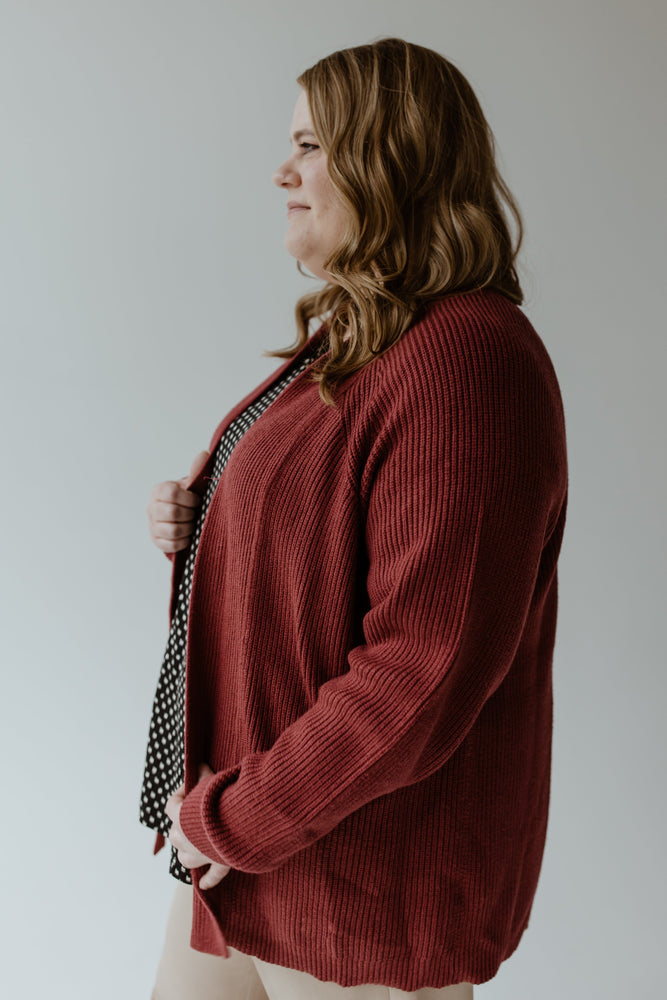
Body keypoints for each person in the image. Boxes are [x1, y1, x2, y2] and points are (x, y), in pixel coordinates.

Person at [140, 36, 568, 1000]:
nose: (282, 172)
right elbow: (319, 545)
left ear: (394, 153)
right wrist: (203, 519)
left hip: (363, 882)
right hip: (256, 841)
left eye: (310, 145)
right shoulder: (365, 336)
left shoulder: (467, 356)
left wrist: (235, 819)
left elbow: (424, 662)